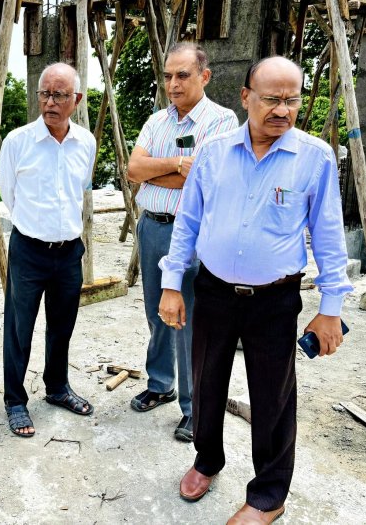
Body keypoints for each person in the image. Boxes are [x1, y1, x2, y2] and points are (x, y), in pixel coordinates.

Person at [159, 56, 353, 524]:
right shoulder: (213, 152)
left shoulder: (314, 157)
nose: (282, 110)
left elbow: (328, 235)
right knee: (206, 381)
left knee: (273, 397)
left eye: (292, 99)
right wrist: (172, 283)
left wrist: (331, 308)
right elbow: (188, 221)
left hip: (274, 298)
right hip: (214, 292)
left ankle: (268, 495)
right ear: (246, 97)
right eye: (272, 99)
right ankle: (207, 460)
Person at [126, 42, 238, 442]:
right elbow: (133, 169)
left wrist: (156, 172)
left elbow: (206, 179)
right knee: (157, 312)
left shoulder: (222, 122)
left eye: (183, 75)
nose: (173, 83)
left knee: (188, 319)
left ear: (204, 77)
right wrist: (176, 165)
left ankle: (194, 407)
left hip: (189, 233)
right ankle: (160, 384)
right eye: (168, 76)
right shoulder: (158, 121)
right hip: (152, 227)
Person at [0, 62, 96, 438]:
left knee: (62, 327)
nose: (50, 102)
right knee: (19, 328)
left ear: (76, 100)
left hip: (69, 252)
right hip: (29, 250)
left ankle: (57, 388)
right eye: (45, 94)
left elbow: (81, 190)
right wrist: (36, 228)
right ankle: (15, 400)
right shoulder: (18, 142)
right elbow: (10, 194)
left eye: (59, 95)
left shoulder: (85, 142)